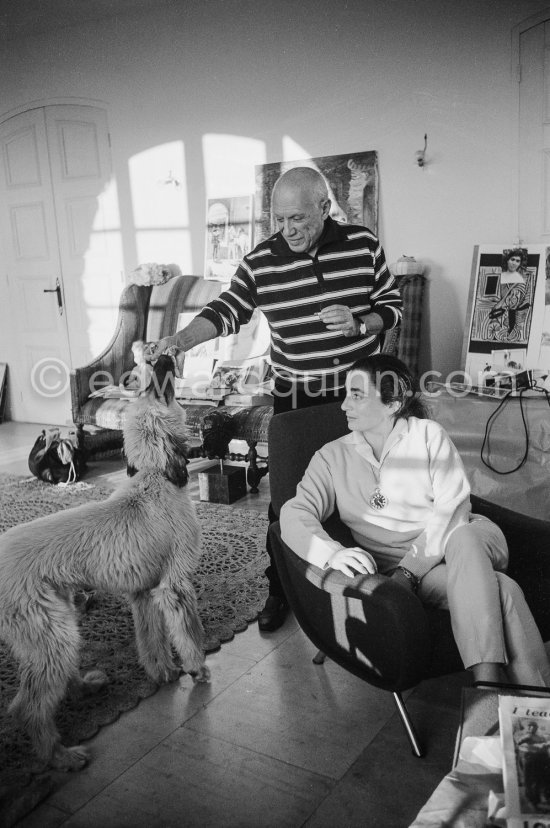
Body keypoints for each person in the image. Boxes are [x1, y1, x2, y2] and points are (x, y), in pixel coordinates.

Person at [146, 166, 402, 631]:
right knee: (286, 496)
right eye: (280, 220)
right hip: (295, 393)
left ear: (325, 208)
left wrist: (361, 322)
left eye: (298, 218)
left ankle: (373, 586)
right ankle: (280, 589)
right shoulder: (261, 261)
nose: (289, 229)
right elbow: (226, 310)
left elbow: (392, 306)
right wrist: (179, 342)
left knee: (366, 489)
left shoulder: (362, 245)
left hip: (358, 392)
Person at [280, 353, 550, 687]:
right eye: (346, 394)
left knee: (463, 537)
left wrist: (408, 572)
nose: (344, 405)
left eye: (357, 395)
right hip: (421, 571)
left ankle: (485, 688)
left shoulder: (428, 435)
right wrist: (331, 553)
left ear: (392, 404)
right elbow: (294, 511)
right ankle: (525, 701)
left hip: (470, 538)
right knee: (503, 591)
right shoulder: (331, 457)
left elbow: (453, 510)